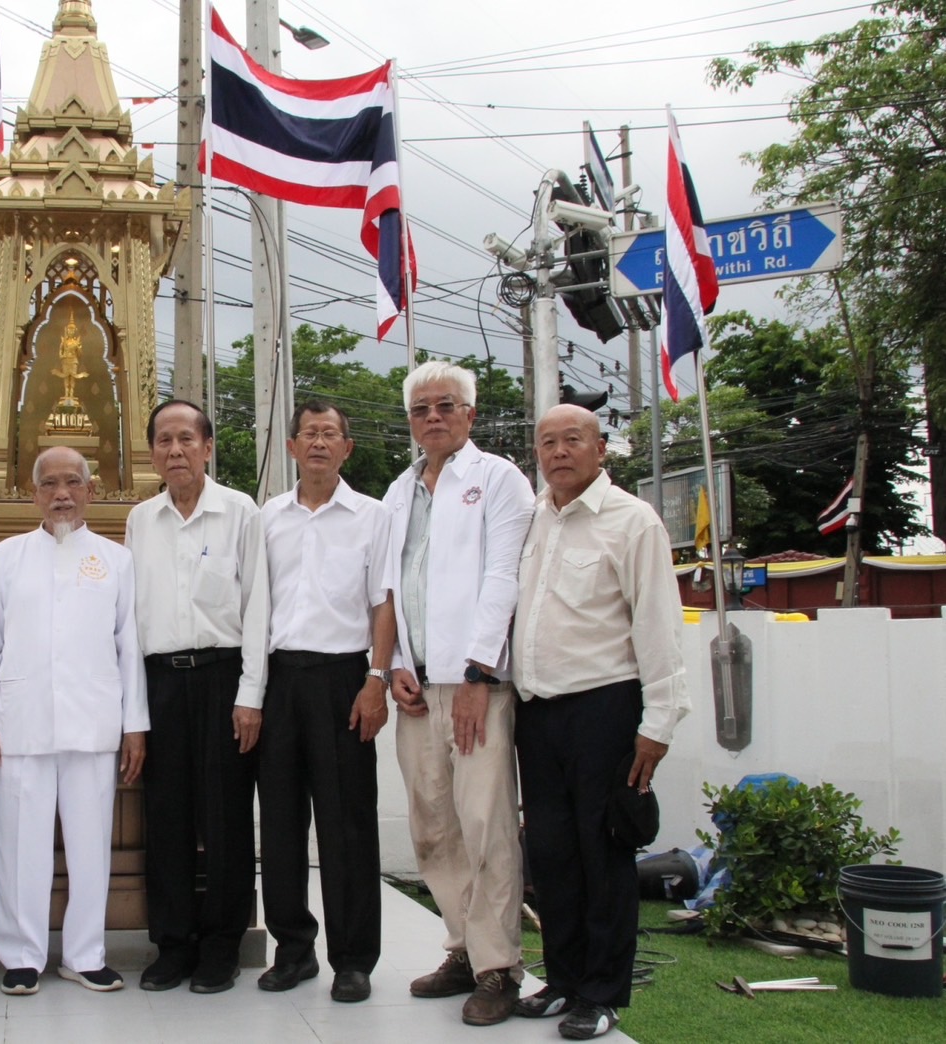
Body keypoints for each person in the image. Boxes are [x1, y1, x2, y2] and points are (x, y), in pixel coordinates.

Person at [512, 404, 689, 1041]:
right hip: (536, 714)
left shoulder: (632, 522)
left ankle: (602, 991)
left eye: (572, 440)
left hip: (605, 710)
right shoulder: (530, 519)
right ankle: (561, 978)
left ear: (600, 449)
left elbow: (660, 626)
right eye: (547, 442)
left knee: (604, 853)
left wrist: (658, 723)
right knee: (552, 854)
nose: (558, 452)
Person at [382, 360, 533, 1026]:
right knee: (433, 826)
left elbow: (503, 578)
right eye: (420, 410)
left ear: (470, 415)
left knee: (486, 826)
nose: (433, 418)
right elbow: (389, 588)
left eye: (446, 406)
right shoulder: (398, 489)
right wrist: (392, 668)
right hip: (416, 689)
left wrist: (480, 674)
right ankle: (463, 949)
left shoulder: (498, 479)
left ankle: (500, 966)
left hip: (477, 689)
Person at [0, 447, 148, 996]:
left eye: (73, 482)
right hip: (19, 720)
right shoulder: (5, 558)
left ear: (91, 490)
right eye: (49, 484)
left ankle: (85, 953)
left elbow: (129, 648)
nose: (62, 494)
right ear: (33, 494)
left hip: (94, 720)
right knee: (19, 844)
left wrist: (134, 724)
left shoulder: (116, 561)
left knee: (90, 842)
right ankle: (22, 955)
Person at [124, 400, 269, 994]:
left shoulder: (239, 512)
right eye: (164, 440)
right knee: (167, 816)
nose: (175, 450)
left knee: (226, 815)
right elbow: (131, 619)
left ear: (208, 447)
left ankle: (221, 945)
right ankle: (173, 942)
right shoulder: (140, 520)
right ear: (152, 451)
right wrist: (132, 708)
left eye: (187, 438)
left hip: (223, 678)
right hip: (160, 680)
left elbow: (259, 605)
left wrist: (251, 694)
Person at [258, 401, 394, 1004]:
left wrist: (377, 678)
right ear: (291, 448)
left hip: (345, 679)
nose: (318, 443)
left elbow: (382, 602)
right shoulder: (266, 518)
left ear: (347, 448)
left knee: (347, 824)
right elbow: (255, 606)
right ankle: (293, 950)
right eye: (308, 434)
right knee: (281, 823)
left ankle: (354, 959)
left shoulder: (372, 516)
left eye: (329, 434)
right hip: (279, 679)